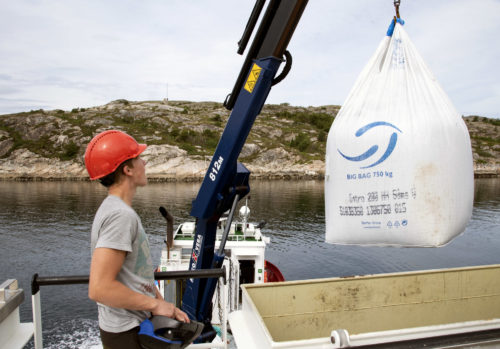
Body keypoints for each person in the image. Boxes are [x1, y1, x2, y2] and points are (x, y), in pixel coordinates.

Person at [85, 130, 189, 349]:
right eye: (139, 157)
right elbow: (99, 288)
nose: (145, 162)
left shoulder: (117, 210)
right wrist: (155, 305)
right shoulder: (120, 216)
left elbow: (135, 275)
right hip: (126, 334)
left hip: (133, 326)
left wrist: (162, 304)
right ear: (128, 169)